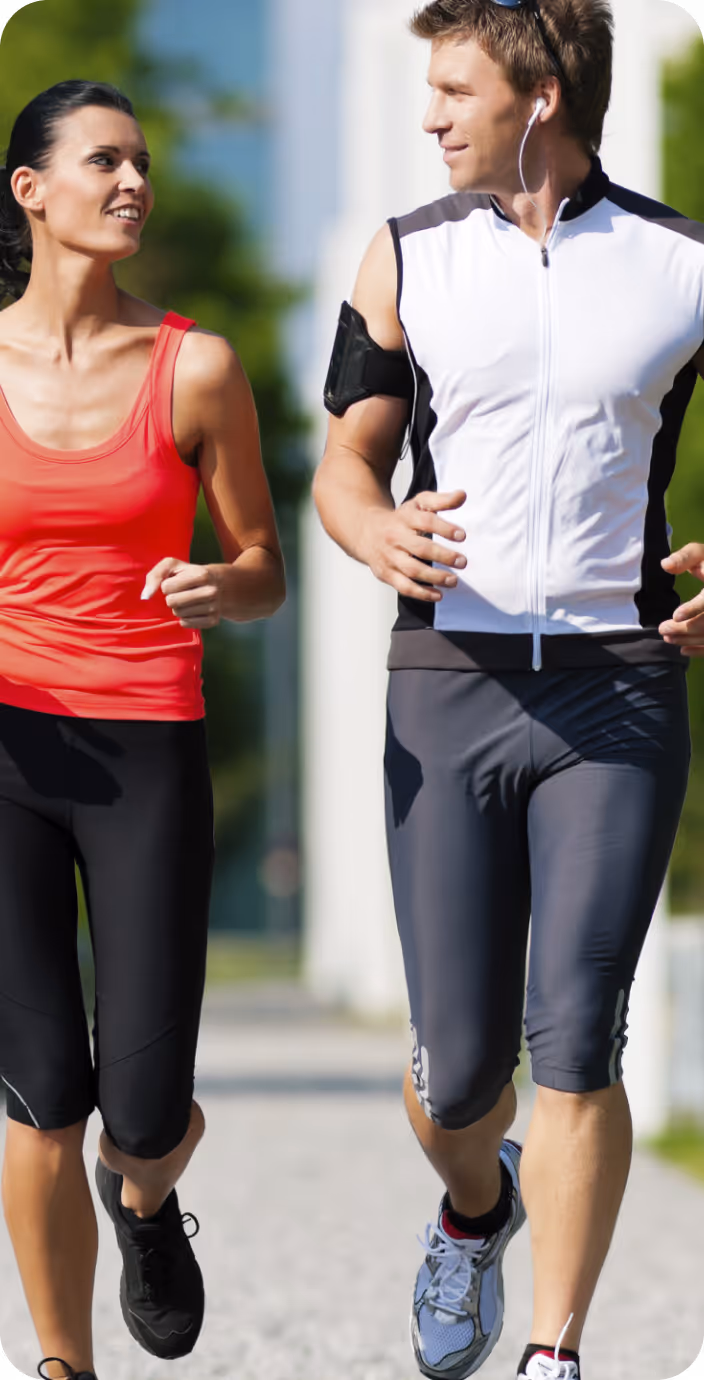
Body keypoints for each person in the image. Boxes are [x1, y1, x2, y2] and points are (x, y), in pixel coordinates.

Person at [314, 2, 704, 1377]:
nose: (432, 116)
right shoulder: (405, 257)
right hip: (449, 682)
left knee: (578, 1036)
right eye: (427, 89)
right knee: (460, 1072)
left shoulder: (681, 265)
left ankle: (555, 1354)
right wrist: (372, 531)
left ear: (540, 94)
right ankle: (476, 1203)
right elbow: (346, 468)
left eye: (456, 89)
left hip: (619, 691)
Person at [0, 80, 285, 1380]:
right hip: (7, 747)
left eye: (142, 164)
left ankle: (150, 1199)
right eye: (104, 161)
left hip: (145, 747)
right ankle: (62, 1363)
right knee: (41, 1090)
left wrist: (224, 587)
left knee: (144, 1107)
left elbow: (264, 566)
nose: (132, 183)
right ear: (32, 191)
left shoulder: (197, 366)